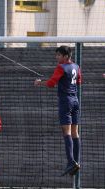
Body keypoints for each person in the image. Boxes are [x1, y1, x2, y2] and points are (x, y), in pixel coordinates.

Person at [34, 45, 82, 176]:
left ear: (65, 56)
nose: (57, 57)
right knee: (75, 132)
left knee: (66, 132)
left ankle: (71, 162)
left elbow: (50, 84)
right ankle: (77, 161)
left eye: (59, 55)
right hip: (75, 100)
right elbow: (78, 81)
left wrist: (40, 83)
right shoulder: (77, 67)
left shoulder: (61, 67)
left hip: (65, 101)